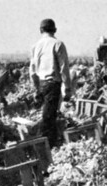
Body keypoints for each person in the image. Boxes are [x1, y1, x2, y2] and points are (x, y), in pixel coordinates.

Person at [30, 18, 71, 146]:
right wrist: (68, 88)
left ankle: (51, 142)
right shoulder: (58, 44)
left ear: (40, 30)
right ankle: (44, 145)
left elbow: (32, 71)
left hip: (42, 83)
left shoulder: (36, 46)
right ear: (55, 30)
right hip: (53, 84)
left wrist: (36, 88)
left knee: (48, 114)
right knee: (49, 117)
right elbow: (64, 68)